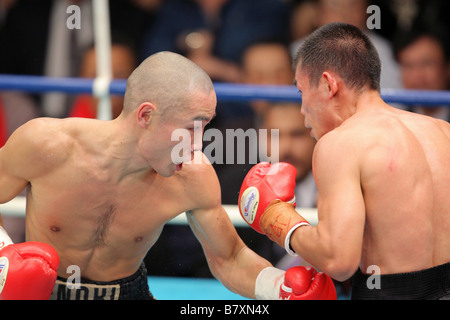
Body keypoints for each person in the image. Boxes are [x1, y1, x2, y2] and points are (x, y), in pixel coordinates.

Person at [0, 51, 336, 300]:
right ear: (146, 115)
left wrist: (278, 288)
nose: (197, 143)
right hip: (39, 293)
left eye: (205, 126)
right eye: (191, 127)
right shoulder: (47, 144)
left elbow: (229, 257)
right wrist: (4, 261)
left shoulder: (191, 176)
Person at [239, 23, 450, 300]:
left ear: (328, 84)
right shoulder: (442, 131)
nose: (303, 110)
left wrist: (276, 220)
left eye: (302, 92)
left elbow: (337, 260)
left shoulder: (340, 144)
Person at [393, 23, 450, 121]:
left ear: (447, 68)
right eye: (408, 66)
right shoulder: (395, 122)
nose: (418, 75)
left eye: (426, 63)